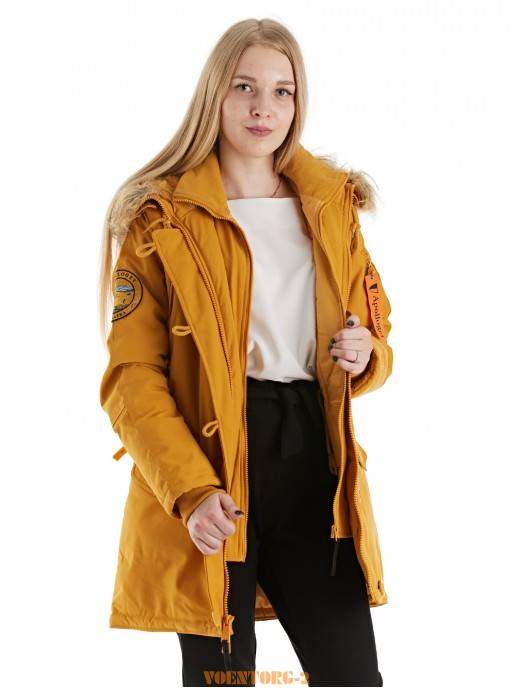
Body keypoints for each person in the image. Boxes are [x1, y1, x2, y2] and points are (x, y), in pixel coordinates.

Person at [98, 17, 393, 687]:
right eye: (245, 87)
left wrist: (367, 354)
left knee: (353, 675)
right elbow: (132, 379)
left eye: (283, 91)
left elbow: (378, 331)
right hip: (213, 466)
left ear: (299, 100)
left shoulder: (330, 205)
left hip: (314, 464)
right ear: (215, 93)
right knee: (223, 680)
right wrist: (192, 491)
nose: (265, 108)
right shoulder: (162, 217)